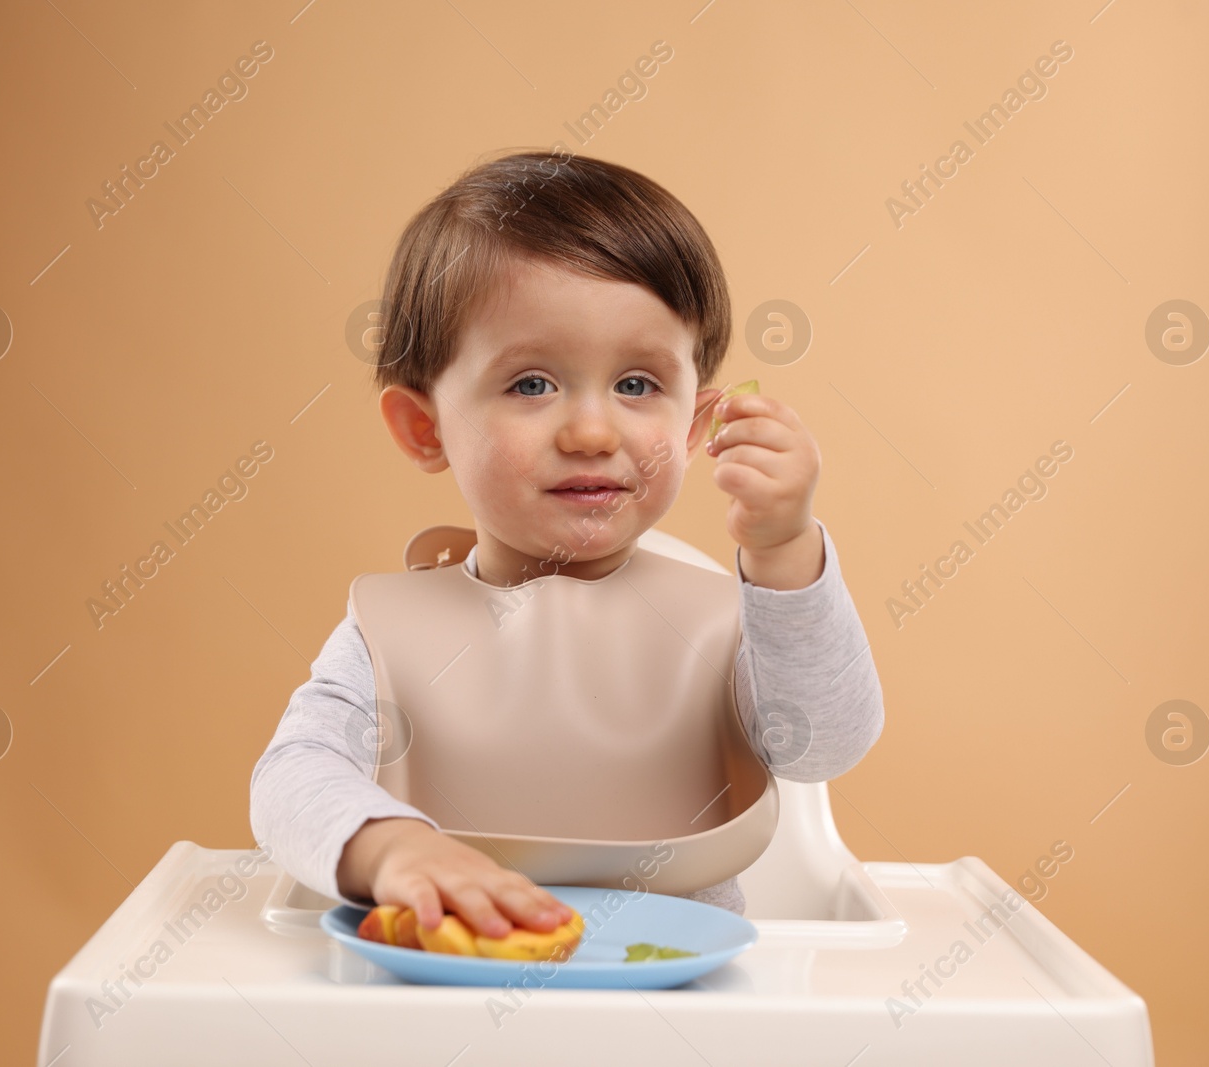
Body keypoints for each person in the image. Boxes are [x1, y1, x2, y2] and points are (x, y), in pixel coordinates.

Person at [250, 149, 883, 942]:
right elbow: (290, 778)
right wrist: (391, 846)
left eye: (637, 385)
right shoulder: (395, 634)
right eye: (531, 384)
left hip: (683, 1002)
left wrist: (787, 550)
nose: (591, 432)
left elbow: (827, 739)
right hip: (444, 995)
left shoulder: (722, 622)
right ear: (426, 427)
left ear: (695, 427)